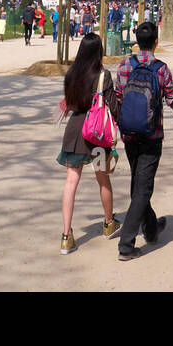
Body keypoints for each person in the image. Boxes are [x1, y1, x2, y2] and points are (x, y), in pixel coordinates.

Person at [114, 20, 173, 261]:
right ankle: (126, 245)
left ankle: (152, 228)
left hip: (129, 133)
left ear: (136, 42)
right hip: (152, 134)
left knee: (139, 182)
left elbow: (117, 97)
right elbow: (172, 98)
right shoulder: (161, 69)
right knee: (143, 188)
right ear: (155, 42)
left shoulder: (125, 65)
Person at [57, 33, 120, 254]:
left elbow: (69, 102)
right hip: (97, 134)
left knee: (70, 182)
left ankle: (66, 235)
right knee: (103, 179)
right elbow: (113, 106)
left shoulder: (71, 74)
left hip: (75, 132)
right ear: (99, 51)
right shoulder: (103, 75)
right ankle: (108, 222)